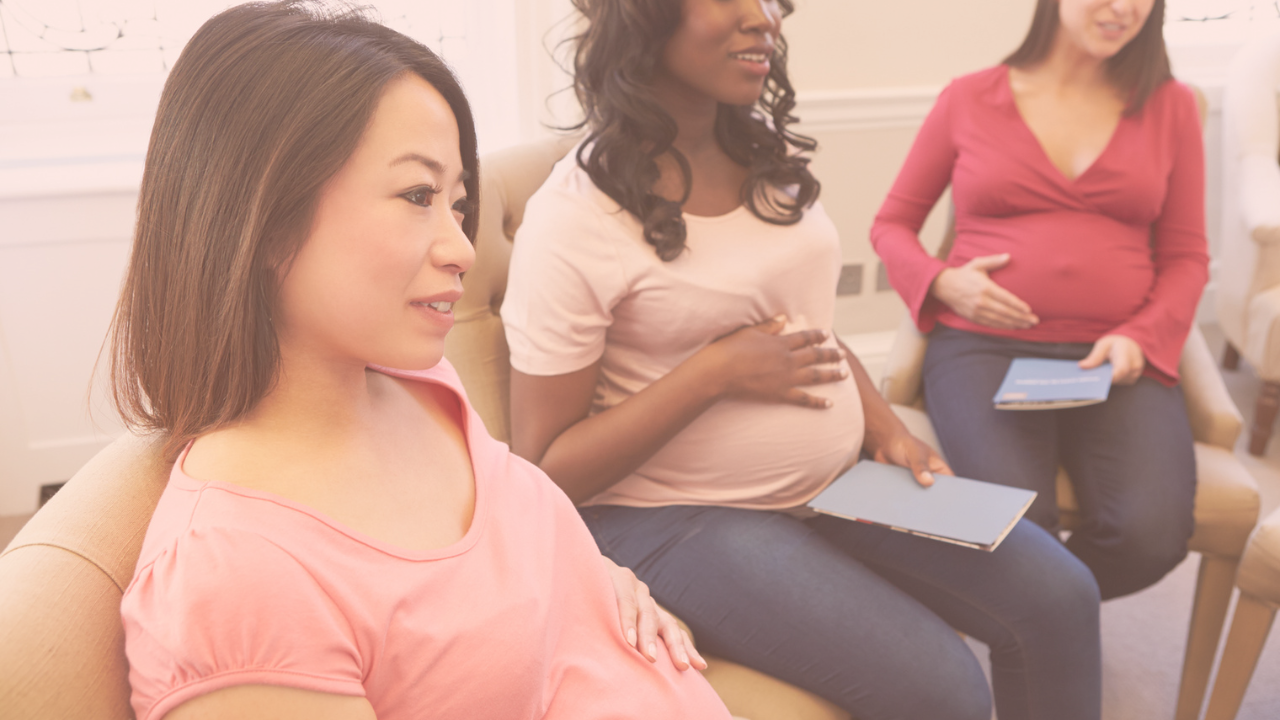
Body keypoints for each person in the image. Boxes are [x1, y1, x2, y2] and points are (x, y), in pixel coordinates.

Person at [110, 3, 726, 719]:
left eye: (457, 203)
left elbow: (493, 576)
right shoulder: (235, 579)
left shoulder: (415, 381)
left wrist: (592, 582)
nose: (463, 248)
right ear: (264, 218)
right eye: (416, 195)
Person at [502, 1, 1102, 718]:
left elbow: (808, 327)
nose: (766, 18)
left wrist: (884, 426)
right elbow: (544, 469)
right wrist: (715, 372)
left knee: (1062, 596)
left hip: (830, 486)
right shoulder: (574, 217)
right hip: (667, 515)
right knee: (943, 687)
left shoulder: (762, 159)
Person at [871, 0, 1206, 600]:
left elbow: (1187, 257)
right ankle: (1037, 609)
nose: (1124, 7)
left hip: (1117, 358)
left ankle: (1041, 610)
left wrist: (1142, 334)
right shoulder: (969, 98)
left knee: (1151, 535)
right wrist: (942, 281)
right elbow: (891, 226)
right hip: (982, 349)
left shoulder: (1172, 105)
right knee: (1016, 531)